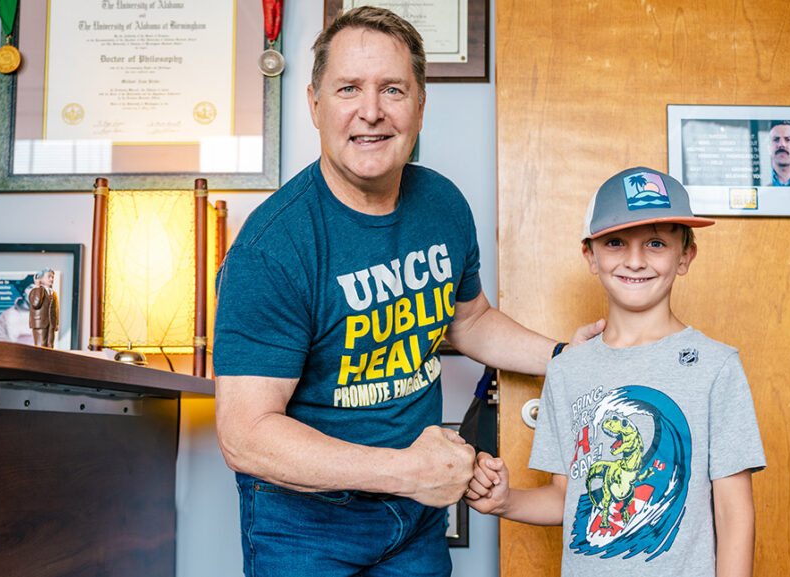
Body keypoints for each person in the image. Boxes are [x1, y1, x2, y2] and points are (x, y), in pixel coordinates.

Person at [212, 7, 602, 577]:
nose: (371, 111)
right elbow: (245, 436)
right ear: (315, 104)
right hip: (305, 524)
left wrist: (567, 359)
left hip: (416, 518)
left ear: (420, 105)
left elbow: (469, 320)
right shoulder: (271, 249)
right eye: (349, 88)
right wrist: (408, 471)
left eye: (392, 89)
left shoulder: (442, 205)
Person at [465, 167, 767, 577]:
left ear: (685, 256)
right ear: (591, 256)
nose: (635, 261)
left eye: (656, 243)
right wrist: (506, 501)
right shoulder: (567, 369)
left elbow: (734, 511)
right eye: (615, 242)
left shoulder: (717, 366)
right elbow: (566, 498)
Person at [28, 268, 58, 348]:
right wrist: (38, 287)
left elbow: (55, 310)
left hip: (51, 323)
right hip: (40, 323)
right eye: (49, 276)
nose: (51, 279)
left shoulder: (53, 293)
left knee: (50, 345)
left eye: (52, 277)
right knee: (41, 345)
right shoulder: (35, 291)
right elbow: (36, 303)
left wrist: (56, 323)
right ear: (40, 278)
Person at [769, 121, 790, 186]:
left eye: (788, 139)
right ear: (769, 148)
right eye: (776, 139)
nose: (782, 144)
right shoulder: (759, 183)